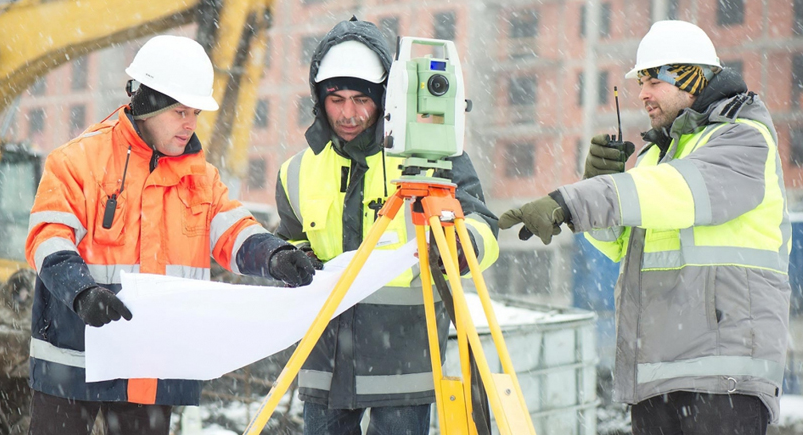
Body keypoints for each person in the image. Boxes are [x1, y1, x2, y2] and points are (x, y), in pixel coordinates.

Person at [499, 20, 790, 435]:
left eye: (654, 79)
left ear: (691, 74)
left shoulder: (741, 137)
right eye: (640, 82)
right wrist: (592, 189)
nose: (642, 94)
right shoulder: (658, 154)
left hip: (723, 378)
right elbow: (621, 247)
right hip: (658, 379)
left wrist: (577, 200)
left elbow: (680, 193)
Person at [25, 35, 316, 435]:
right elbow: (48, 239)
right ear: (148, 105)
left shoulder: (201, 178)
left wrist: (275, 256)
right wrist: (82, 292)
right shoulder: (75, 162)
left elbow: (234, 231)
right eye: (180, 111)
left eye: (195, 113)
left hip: (152, 364)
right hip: (75, 359)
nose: (190, 125)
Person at [274, 17, 500, 434]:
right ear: (318, 98)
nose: (348, 113)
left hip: (404, 365)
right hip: (323, 364)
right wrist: (290, 258)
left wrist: (458, 245)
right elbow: (293, 238)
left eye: (361, 98)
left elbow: (485, 225)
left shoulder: (431, 157)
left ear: (385, 96)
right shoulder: (296, 172)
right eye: (336, 99)